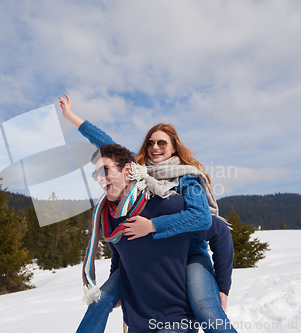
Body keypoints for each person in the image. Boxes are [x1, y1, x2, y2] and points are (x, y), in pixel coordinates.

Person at [59, 94, 238, 333]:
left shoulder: (186, 177)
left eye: (162, 143)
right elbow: (107, 145)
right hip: (150, 255)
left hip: (189, 253)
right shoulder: (139, 175)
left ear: (173, 147)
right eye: (150, 143)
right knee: (98, 302)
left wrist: (152, 226)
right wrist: (71, 117)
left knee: (206, 310)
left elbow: (202, 218)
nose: (155, 147)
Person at [86, 143, 199, 333]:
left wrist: (223, 287)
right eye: (95, 174)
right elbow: (118, 253)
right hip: (138, 323)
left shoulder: (166, 202)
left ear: (128, 169)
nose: (99, 178)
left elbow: (216, 230)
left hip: (176, 320)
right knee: (98, 302)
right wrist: (119, 290)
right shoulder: (110, 216)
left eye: (105, 170)